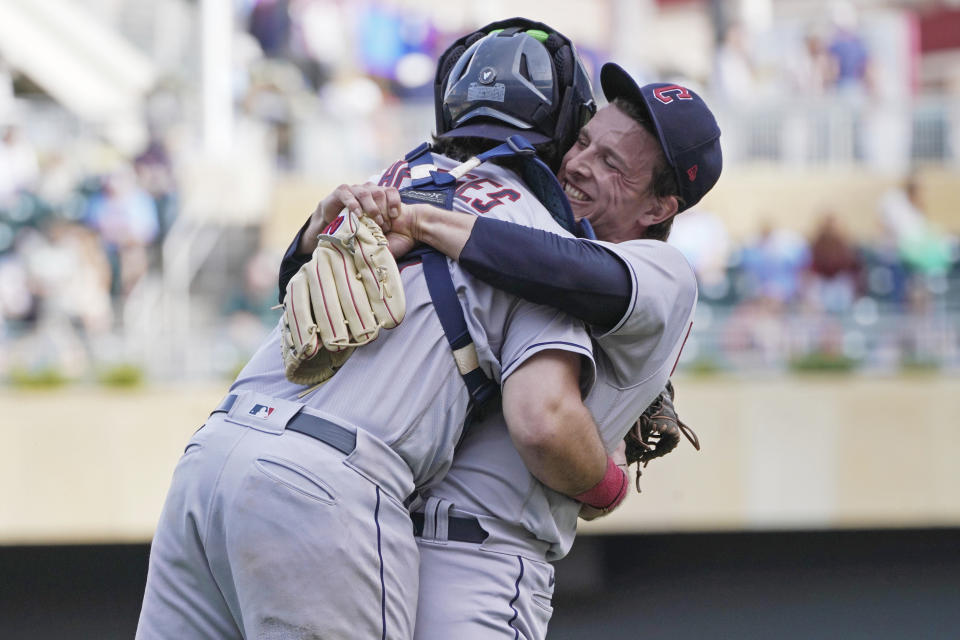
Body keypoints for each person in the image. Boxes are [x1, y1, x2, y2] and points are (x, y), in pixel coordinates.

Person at [136, 19, 620, 640]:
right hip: (328, 483)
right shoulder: (539, 241)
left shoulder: (386, 184)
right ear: (561, 130)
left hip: (212, 455)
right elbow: (545, 420)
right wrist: (605, 484)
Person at [283, 63, 722, 638]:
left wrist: (425, 217)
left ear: (660, 208)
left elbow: (564, 268)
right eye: (584, 142)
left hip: (483, 561)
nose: (579, 163)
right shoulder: (523, 240)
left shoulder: (665, 272)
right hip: (381, 538)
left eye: (612, 163)